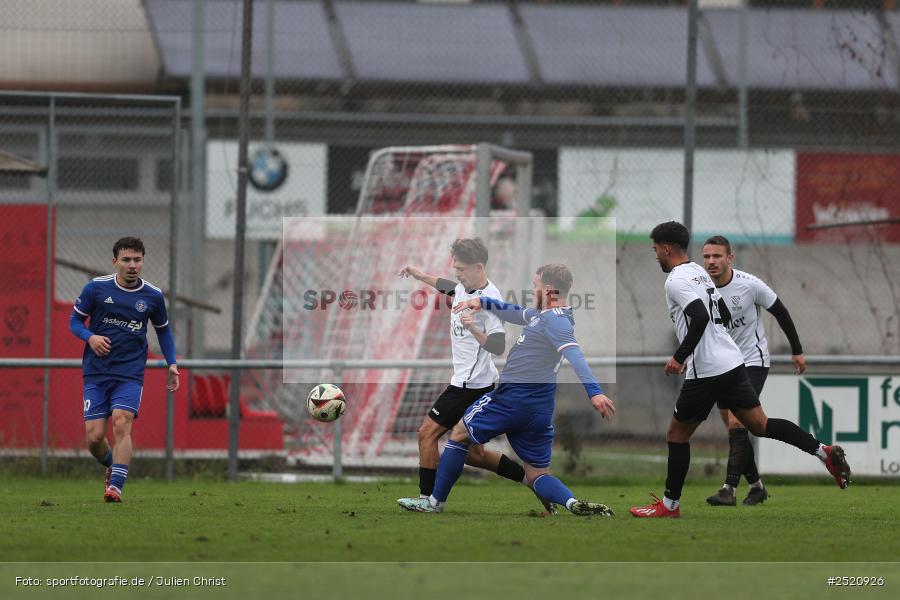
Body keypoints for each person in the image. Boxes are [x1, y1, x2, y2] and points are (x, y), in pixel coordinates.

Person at [630, 222, 850, 519]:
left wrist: (680, 356)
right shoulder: (698, 272)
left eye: (655, 249)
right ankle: (823, 452)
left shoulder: (676, 280)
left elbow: (699, 317)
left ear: (667, 248)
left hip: (706, 370)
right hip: (733, 363)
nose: (655, 254)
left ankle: (670, 506)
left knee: (677, 435)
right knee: (759, 424)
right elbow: (719, 311)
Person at [397, 263, 617, 516]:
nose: (532, 290)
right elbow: (515, 312)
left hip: (512, 400)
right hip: (538, 410)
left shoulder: (556, 322)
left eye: (535, 286)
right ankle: (572, 503)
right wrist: (483, 303)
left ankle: (434, 502)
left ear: (546, 289)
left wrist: (595, 392)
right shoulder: (543, 315)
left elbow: (575, 354)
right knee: (537, 474)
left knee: (458, 434)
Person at [398, 238, 552, 513]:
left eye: (461, 268)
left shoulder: (489, 299)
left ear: (478, 267)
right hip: (473, 382)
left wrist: (472, 329)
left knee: (427, 433)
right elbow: (448, 286)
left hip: (469, 385)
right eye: (455, 268)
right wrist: (418, 274)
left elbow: (498, 345)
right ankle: (531, 480)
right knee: (473, 454)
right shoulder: (463, 287)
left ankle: (427, 500)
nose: (457, 273)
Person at [69, 237, 179, 502]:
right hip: (97, 371)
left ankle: (115, 487)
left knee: (121, 421)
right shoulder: (96, 288)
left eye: (137, 260)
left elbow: (163, 332)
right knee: (95, 438)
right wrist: (90, 337)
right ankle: (111, 464)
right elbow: (74, 322)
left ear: (143, 261)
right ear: (115, 261)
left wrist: (172, 363)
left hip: (130, 373)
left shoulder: (152, 296)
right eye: (126, 260)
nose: (132, 265)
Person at [702, 235, 806, 507]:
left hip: (752, 361)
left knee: (738, 421)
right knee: (736, 429)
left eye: (717, 256)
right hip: (722, 365)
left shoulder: (749, 285)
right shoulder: (700, 289)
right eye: (707, 257)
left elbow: (780, 312)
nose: (711, 261)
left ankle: (729, 490)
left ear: (729, 258)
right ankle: (757, 487)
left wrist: (796, 349)